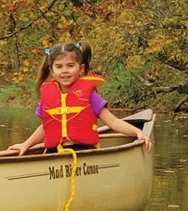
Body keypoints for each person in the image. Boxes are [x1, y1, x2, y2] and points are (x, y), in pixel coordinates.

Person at [8, 41, 151, 155]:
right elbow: (45, 127)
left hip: (85, 151)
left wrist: (138, 132)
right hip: (55, 153)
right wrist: (25, 144)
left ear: (80, 69)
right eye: (59, 66)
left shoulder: (90, 96)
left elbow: (113, 122)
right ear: (52, 71)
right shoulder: (48, 96)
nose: (65, 71)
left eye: (70, 66)